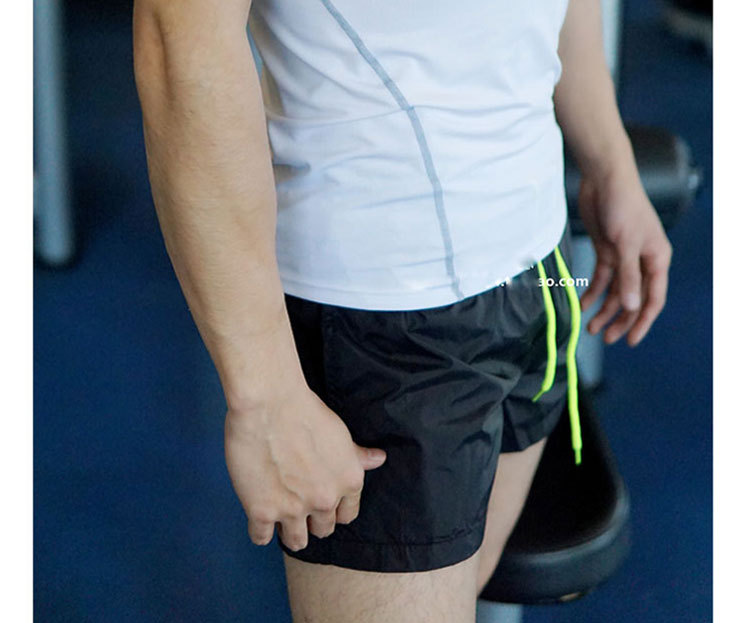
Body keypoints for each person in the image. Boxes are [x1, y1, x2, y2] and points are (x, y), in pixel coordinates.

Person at [133, 0, 672, 621]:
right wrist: (265, 395)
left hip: (539, 265)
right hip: (385, 320)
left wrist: (609, 160)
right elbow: (180, 49)